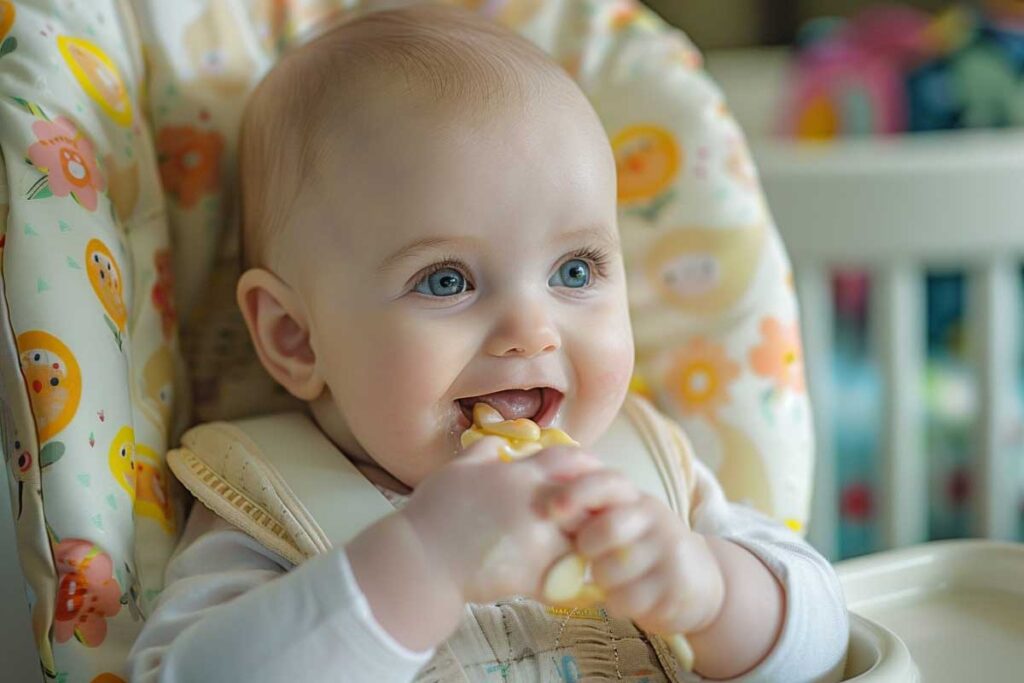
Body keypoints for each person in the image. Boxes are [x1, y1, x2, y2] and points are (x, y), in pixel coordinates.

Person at [128, 5, 847, 681]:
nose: (531, 330)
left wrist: (712, 592)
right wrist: (423, 564)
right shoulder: (265, 500)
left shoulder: (645, 474)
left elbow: (830, 633)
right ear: (294, 336)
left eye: (575, 270)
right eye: (446, 281)